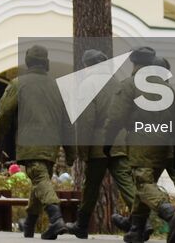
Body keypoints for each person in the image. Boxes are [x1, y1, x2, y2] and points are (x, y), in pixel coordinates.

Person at [105, 47, 175, 243]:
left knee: (143, 184)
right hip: (164, 143)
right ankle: (136, 229)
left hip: (141, 141)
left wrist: (107, 142)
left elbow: (115, 117)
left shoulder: (130, 84)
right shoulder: (168, 89)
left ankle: (171, 214)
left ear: (134, 63)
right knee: (144, 185)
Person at [0, 43, 76, 239]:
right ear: (45, 63)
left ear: (28, 62)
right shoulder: (57, 87)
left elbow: (3, 113)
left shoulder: (18, 83)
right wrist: (71, 152)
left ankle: (56, 220)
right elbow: (67, 123)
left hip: (31, 143)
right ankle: (29, 225)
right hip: (51, 145)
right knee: (41, 180)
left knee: (39, 178)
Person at [65, 49, 135, 239]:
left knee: (91, 186)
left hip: (98, 145)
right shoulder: (116, 83)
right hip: (119, 143)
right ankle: (142, 221)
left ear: (88, 66)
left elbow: (86, 121)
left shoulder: (88, 84)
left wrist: (83, 150)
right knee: (127, 184)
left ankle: (82, 224)